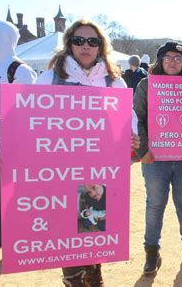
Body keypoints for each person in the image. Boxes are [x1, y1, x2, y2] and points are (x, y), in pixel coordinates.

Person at [36, 19, 139, 287]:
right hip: (59, 165)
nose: (85, 46)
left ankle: (94, 272)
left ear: (101, 47)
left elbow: (127, 116)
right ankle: (73, 278)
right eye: (79, 40)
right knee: (65, 226)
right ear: (69, 44)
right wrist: (7, 151)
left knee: (92, 222)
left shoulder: (113, 82)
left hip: (97, 165)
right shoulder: (50, 78)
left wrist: (132, 133)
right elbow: (25, 118)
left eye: (92, 41)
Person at [133, 41, 182, 277]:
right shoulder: (147, 85)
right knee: (155, 204)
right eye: (167, 57)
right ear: (160, 60)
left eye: (178, 58)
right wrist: (143, 151)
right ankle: (151, 251)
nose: (172, 61)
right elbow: (138, 118)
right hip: (156, 157)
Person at [0, 20, 37, 250]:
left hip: (7, 144)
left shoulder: (18, 70)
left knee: (5, 194)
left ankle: (2, 236)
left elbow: (28, 109)